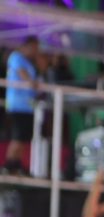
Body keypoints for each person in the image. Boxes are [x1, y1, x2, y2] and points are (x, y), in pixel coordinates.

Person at [5, 36, 39, 175]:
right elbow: (27, 79)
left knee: (24, 138)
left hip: (28, 106)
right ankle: (9, 164)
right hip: (17, 105)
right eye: (35, 47)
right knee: (17, 137)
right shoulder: (16, 57)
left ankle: (16, 164)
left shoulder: (29, 62)